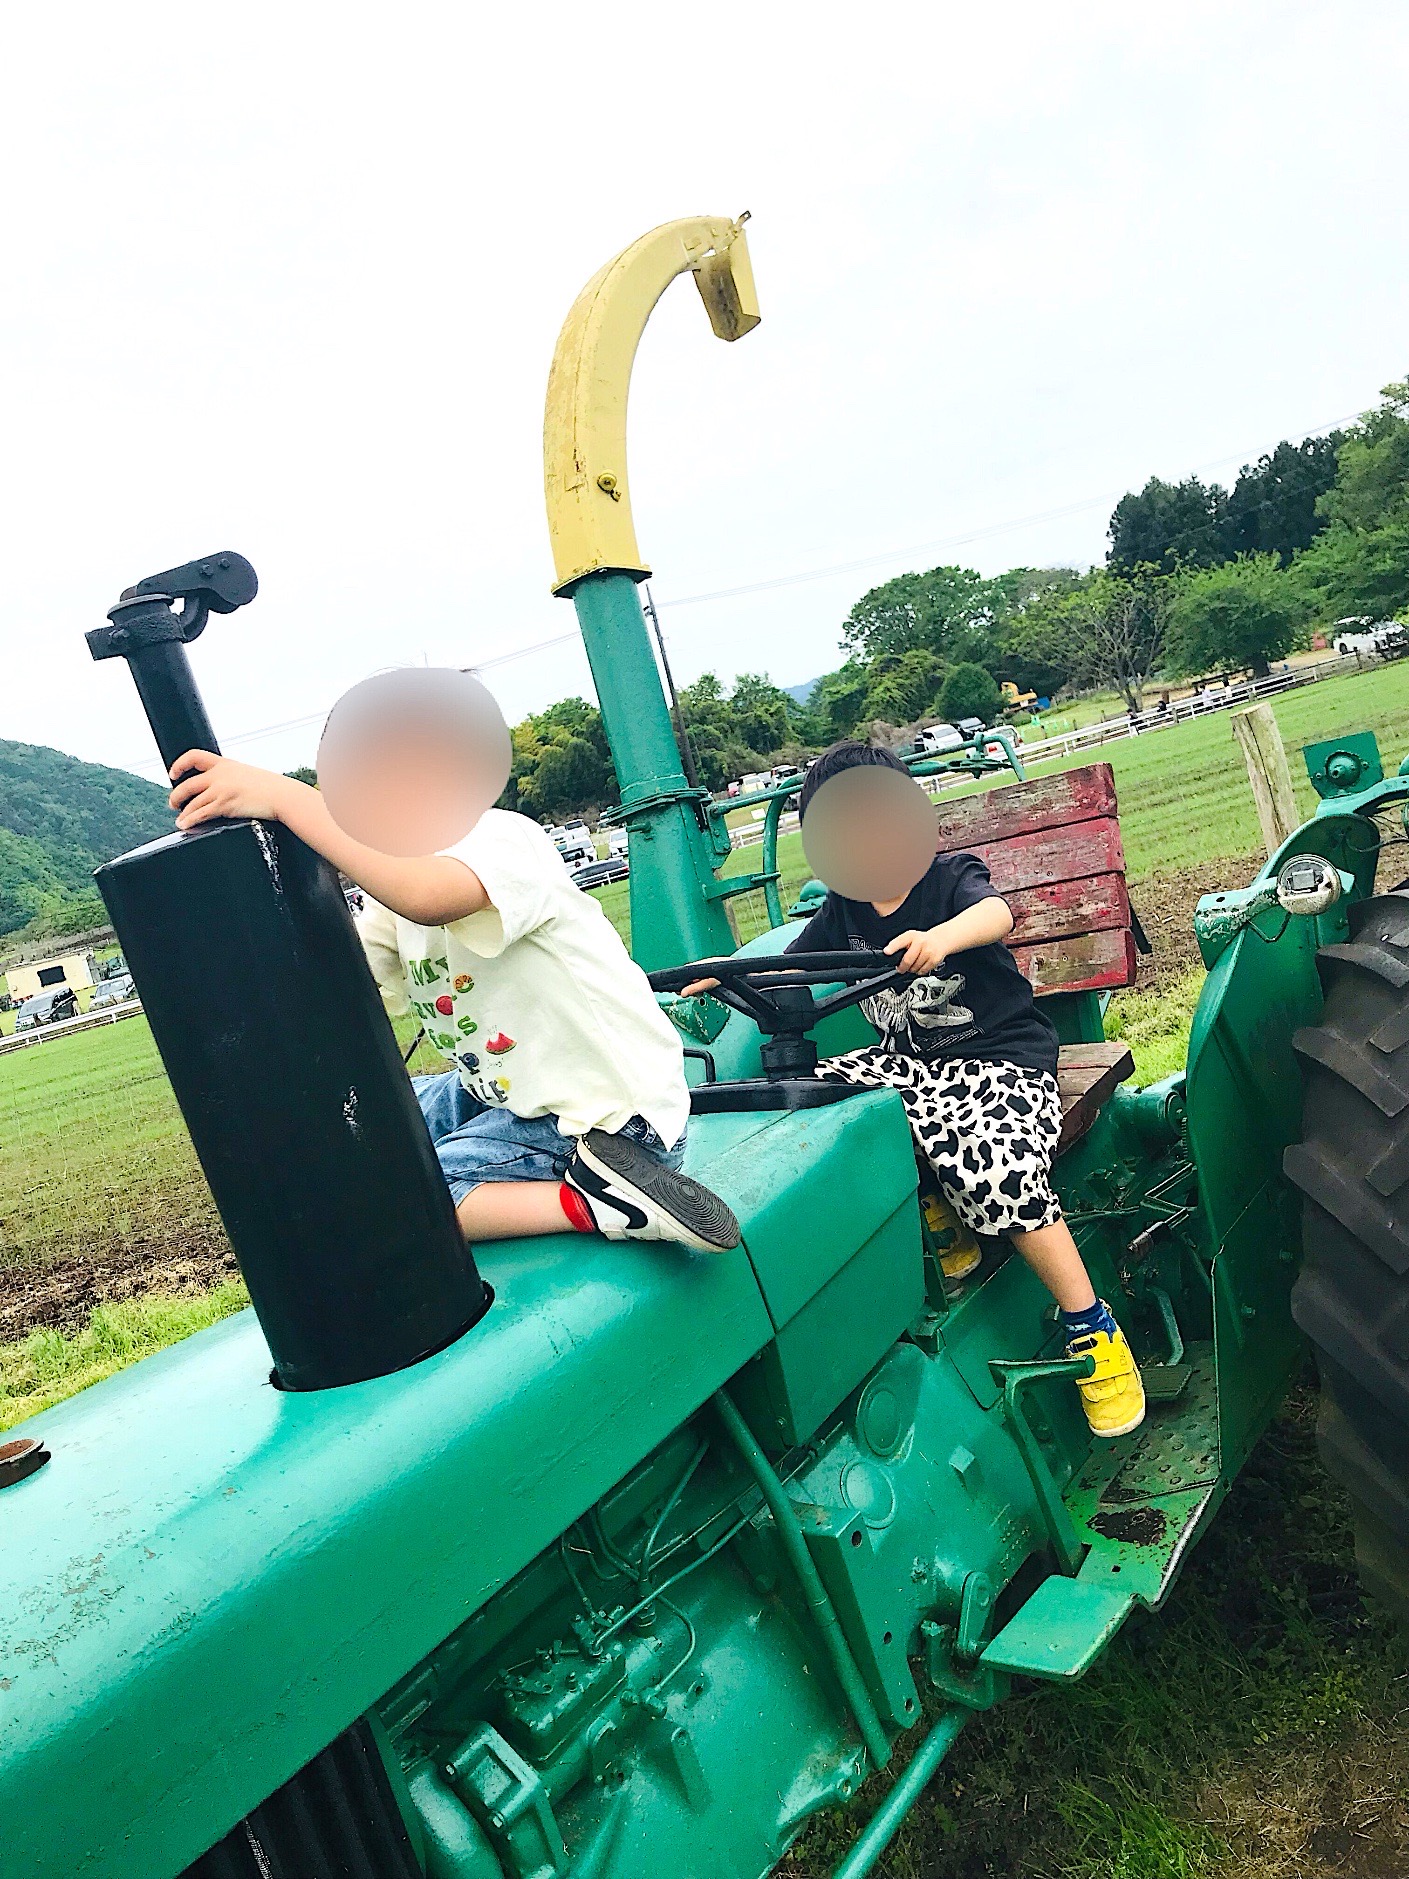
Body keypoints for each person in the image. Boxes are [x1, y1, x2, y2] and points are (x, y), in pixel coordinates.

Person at [684, 738, 1144, 1438]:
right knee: (812, 1100)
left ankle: (1091, 1324)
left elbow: (996, 915)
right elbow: (793, 966)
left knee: (999, 1165)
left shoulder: (948, 878)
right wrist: (727, 970)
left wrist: (943, 939)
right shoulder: (843, 909)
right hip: (908, 1065)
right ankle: (937, 1218)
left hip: (1000, 1062)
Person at [165, 736, 740, 1255]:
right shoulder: (390, 904)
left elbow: (428, 897)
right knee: (369, 1120)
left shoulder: (503, 840)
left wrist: (290, 802)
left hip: (607, 1119)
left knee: (401, 1199)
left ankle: (599, 1202)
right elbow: (334, 984)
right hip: (509, 1096)